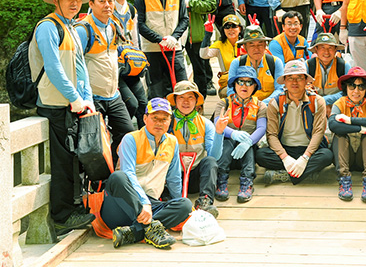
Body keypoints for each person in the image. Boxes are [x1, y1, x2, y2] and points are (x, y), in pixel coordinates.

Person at [28, 0, 96, 235]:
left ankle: (73, 208)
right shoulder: (48, 26)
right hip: (54, 103)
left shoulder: (72, 28)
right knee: (60, 161)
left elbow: (80, 67)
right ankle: (61, 215)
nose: (75, 2)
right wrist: (73, 97)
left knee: (72, 159)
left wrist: (86, 98)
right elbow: (54, 67)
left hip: (73, 105)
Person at [103, 98, 192, 249]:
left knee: (185, 205)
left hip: (150, 207)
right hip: (121, 205)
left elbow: (174, 178)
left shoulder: (172, 142)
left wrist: (184, 212)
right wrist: (144, 203)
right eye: (154, 118)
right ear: (145, 118)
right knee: (118, 177)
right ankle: (149, 228)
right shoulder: (131, 139)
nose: (159, 123)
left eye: (164, 119)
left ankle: (133, 232)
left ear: (170, 121)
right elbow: (128, 173)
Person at [77, 0, 135, 164]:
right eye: (101, 1)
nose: (107, 5)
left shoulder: (114, 26)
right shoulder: (83, 29)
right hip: (92, 96)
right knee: (94, 145)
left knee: (127, 133)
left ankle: (111, 169)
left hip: (113, 94)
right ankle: (95, 183)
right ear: (91, 4)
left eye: (110, 1)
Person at [256, 60, 333, 185]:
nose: (294, 82)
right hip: (285, 148)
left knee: (327, 156)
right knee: (260, 155)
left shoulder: (317, 101)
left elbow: (318, 132)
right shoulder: (275, 103)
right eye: (290, 78)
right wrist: (285, 158)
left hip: (310, 149)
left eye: (299, 78)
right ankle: (306, 173)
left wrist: (305, 157)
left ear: (306, 81)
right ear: (285, 82)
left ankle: (284, 175)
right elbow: (271, 135)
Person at [166, 80, 224, 217]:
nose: (186, 102)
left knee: (209, 161)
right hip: (173, 176)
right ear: (175, 100)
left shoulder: (205, 124)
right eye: (181, 97)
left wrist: (219, 133)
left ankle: (205, 202)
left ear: (196, 100)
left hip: (196, 176)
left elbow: (214, 156)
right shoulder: (166, 122)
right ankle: (168, 200)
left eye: (190, 97)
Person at [134, 0, 189, 99]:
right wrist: (159, 39)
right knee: (155, 91)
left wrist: (173, 37)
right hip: (152, 50)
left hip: (174, 48)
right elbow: (139, 24)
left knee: (181, 88)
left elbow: (184, 19)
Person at [170, 0, 217, 99]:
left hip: (195, 32)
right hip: (175, 31)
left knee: (199, 70)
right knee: (176, 68)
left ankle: (200, 102)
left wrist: (190, 3)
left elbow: (212, 5)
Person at [213, 66, 267, 203]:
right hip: (227, 151)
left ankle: (247, 182)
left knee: (247, 145)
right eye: (240, 82)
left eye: (249, 82)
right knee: (226, 142)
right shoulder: (224, 103)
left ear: (254, 86)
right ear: (234, 84)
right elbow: (217, 123)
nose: (244, 86)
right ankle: (221, 179)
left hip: (247, 150)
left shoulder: (260, 106)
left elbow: (261, 128)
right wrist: (233, 133)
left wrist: (248, 141)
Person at [328, 67, 366, 202]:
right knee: (340, 135)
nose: (356, 91)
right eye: (352, 86)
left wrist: (349, 120)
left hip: (365, 158)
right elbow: (333, 125)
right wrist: (361, 129)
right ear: (346, 88)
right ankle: (344, 179)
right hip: (345, 156)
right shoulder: (339, 103)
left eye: (361, 87)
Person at [109, 0, 147, 128]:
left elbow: (136, 40)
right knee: (131, 104)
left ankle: (145, 146)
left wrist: (141, 59)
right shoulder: (103, 6)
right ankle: (119, 135)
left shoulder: (131, 9)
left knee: (143, 105)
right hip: (112, 68)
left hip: (130, 66)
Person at [227, 25, 284, 105]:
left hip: (269, 106)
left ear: (265, 45)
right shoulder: (237, 63)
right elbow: (230, 90)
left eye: (260, 44)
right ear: (245, 47)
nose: (256, 49)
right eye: (252, 45)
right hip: (243, 105)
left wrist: (262, 104)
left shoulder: (275, 62)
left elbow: (280, 89)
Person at [306, 33, 350, 116]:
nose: (326, 52)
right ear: (316, 49)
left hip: (338, 104)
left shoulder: (343, 66)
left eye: (330, 48)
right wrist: (321, 103)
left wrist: (326, 101)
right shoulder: (308, 65)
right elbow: (303, 89)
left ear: (335, 50)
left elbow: (347, 91)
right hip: (313, 103)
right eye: (322, 47)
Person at [200, 13, 243, 98]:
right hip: (228, 83)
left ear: (240, 29)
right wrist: (207, 34)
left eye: (234, 26)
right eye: (227, 27)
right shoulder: (220, 45)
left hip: (247, 81)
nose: (230, 30)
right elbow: (203, 54)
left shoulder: (246, 43)